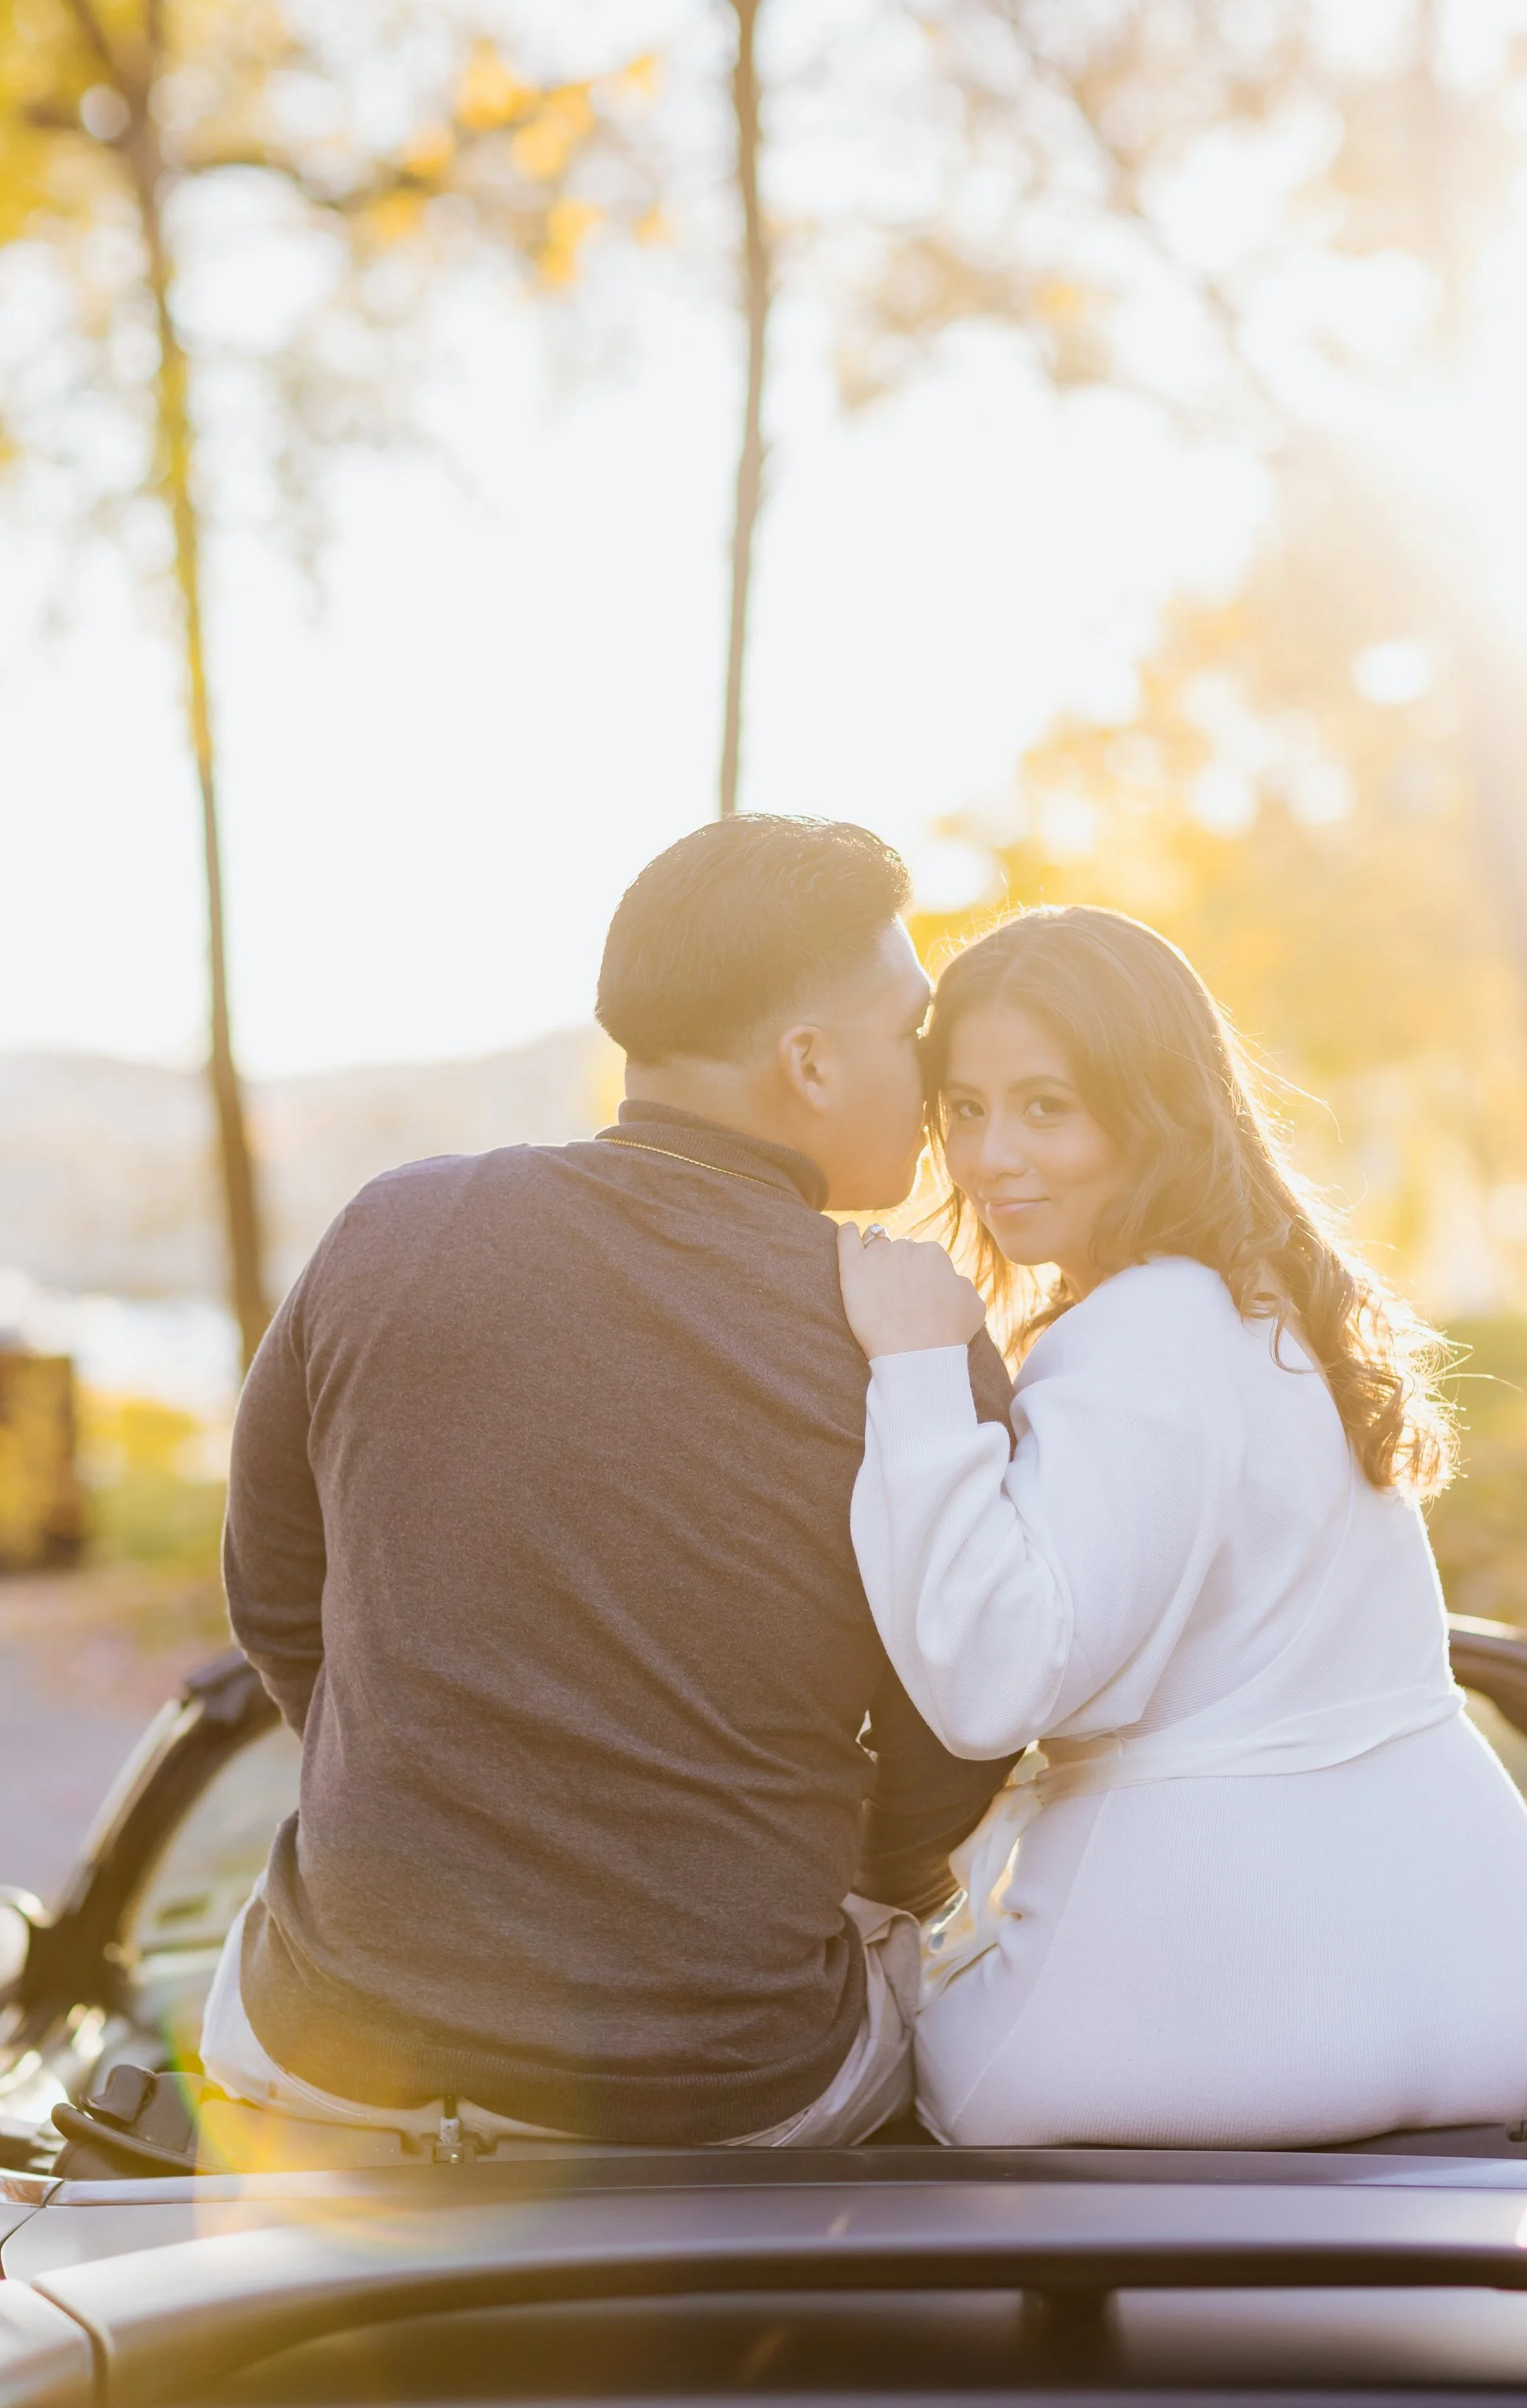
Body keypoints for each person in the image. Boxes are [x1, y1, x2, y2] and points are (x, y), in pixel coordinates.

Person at [204, 814, 1016, 2149]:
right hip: (733, 2093)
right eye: (909, 1033)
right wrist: (849, 1874)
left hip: (329, 2053)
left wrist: (443, 1779)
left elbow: (279, 1598)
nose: (930, 1076)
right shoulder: (912, 1339)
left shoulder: (390, 1230)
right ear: (807, 1062)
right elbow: (964, 1723)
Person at [836, 905, 1527, 2148]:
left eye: (1048, 1106)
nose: (991, 1157)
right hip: (1509, 2007)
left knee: (862, 2043)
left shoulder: (1139, 1328)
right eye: (964, 1110)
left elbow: (992, 1680)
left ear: (1154, 1110)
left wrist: (918, 1371)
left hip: (1209, 2027)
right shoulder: (1278, 1309)